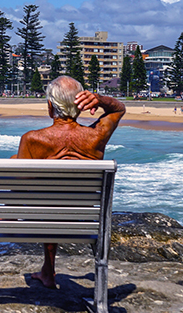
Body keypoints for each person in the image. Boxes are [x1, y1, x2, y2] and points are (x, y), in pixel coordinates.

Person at [13, 76, 125, 288]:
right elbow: (119, 109)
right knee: (54, 195)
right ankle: (48, 271)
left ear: (49, 106)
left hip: (43, 216)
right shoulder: (96, 135)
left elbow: (21, 187)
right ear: (82, 105)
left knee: (24, 170)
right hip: (83, 218)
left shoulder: (32, 139)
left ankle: (4, 217)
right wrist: (99, 100)